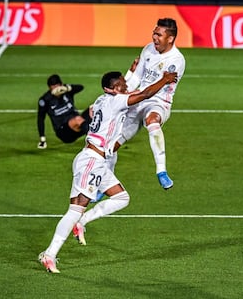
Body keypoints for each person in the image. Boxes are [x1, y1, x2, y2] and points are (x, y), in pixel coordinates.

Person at [38, 70, 178, 273]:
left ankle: (83, 222)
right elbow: (144, 94)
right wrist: (164, 80)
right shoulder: (115, 101)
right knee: (75, 209)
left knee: (122, 198)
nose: (125, 87)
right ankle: (49, 254)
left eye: (124, 83)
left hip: (99, 162)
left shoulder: (102, 100)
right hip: (91, 161)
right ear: (110, 89)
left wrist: (132, 70)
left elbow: (132, 92)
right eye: (121, 85)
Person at [109, 18, 186, 190]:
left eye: (159, 35)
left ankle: (161, 171)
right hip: (139, 99)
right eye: (154, 33)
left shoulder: (177, 60)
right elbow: (138, 77)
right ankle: (106, 183)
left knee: (152, 121)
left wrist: (132, 95)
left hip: (159, 101)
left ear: (170, 38)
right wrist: (125, 91)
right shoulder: (148, 49)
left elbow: (156, 89)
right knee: (111, 143)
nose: (154, 37)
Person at [37, 74, 92, 148]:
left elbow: (81, 87)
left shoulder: (66, 90)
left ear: (61, 85)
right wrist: (42, 138)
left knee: (94, 108)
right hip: (64, 132)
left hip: (79, 125)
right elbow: (40, 119)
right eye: (53, 88)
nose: (56, 90)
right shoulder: (45, 100)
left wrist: (67, 88)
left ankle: (108, 136)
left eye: (57, 87)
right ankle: (96, 143)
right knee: (77, 119)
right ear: (49, 88)